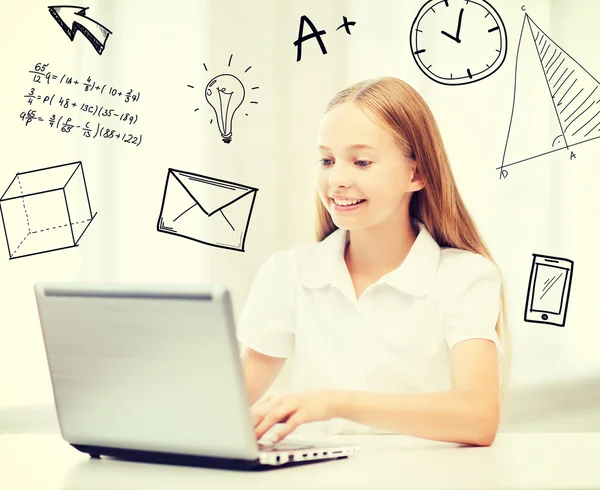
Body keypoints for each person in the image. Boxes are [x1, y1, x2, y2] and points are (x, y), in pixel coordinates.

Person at [236, 76, 510, 447]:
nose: (336, 180)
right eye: (327, 160)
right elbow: (229, 407)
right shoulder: (288, 273)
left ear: (417, 173)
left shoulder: (465, 277)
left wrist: (334, 402)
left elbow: (478, 419)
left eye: (361, 162)